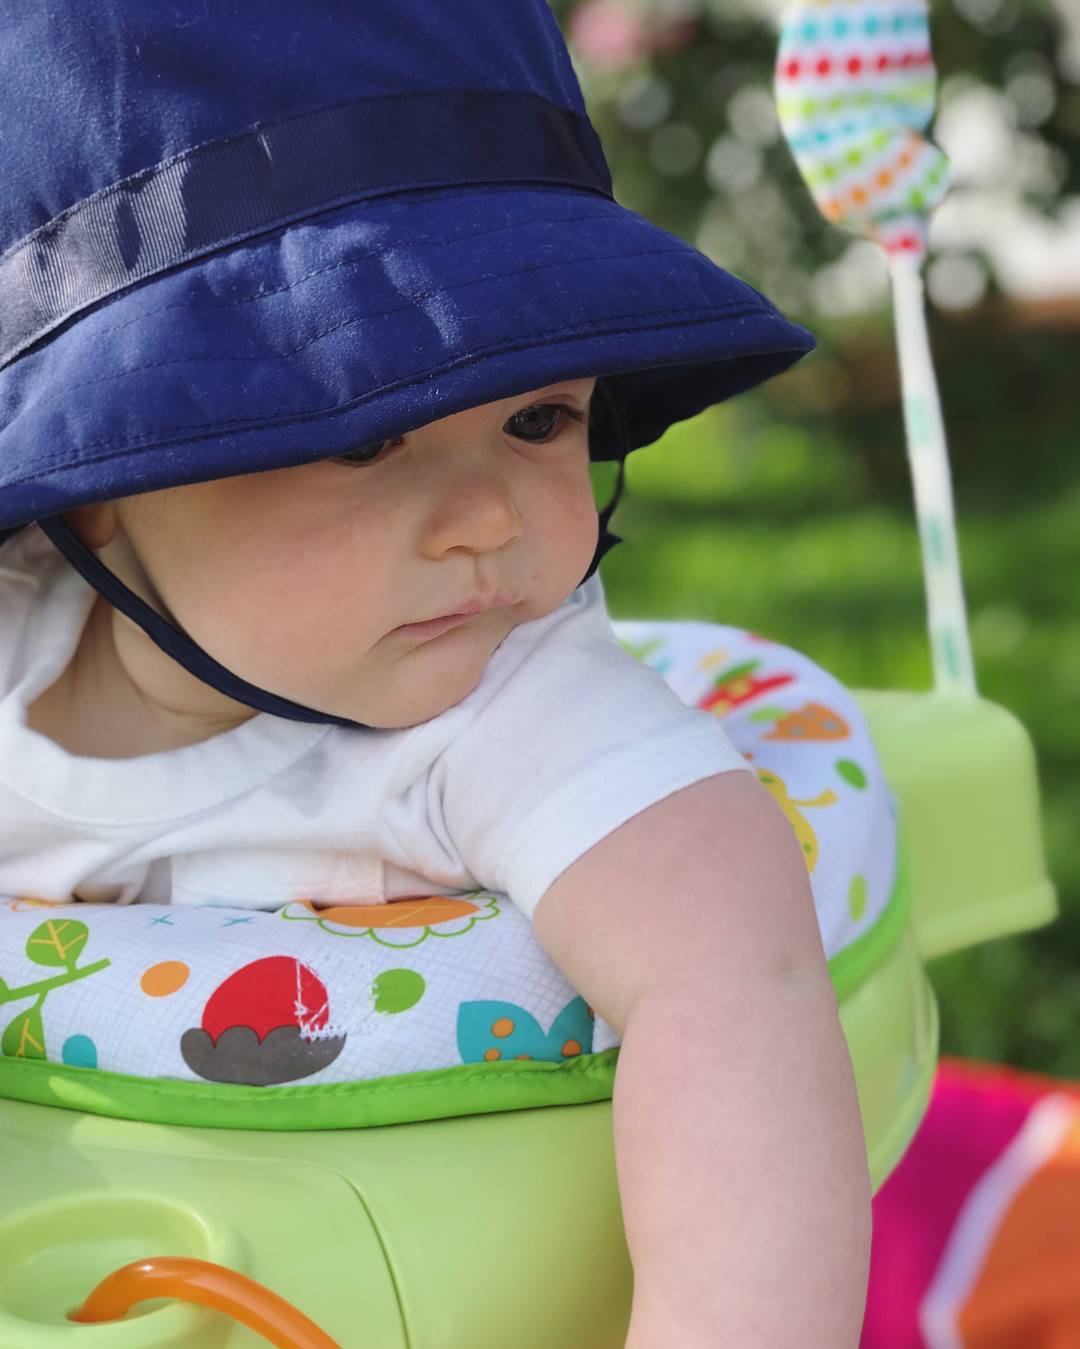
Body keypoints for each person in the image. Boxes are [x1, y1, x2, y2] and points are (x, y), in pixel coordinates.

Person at [0, 2, 878, 1344]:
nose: (489, 518)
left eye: (540, 416)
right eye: (365, 437)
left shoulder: (511, 701)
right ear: (101, 488)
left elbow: (730, 974)